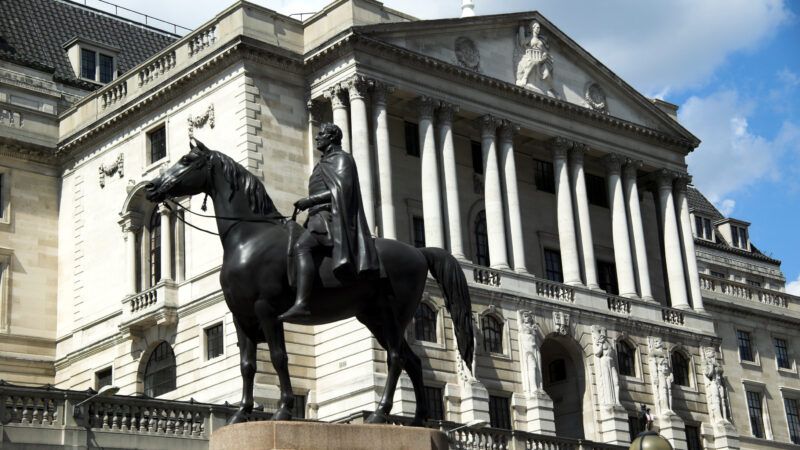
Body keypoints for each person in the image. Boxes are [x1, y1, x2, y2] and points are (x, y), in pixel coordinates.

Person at [279, 123, 379, 321]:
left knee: (301, 246)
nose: (317, 138)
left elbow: (342, 191)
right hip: (316, 217)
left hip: (331, 218)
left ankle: (302, 304)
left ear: (332, 137)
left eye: (321, 134)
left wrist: (311, 200)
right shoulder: (323, 163)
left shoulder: (342, 159)